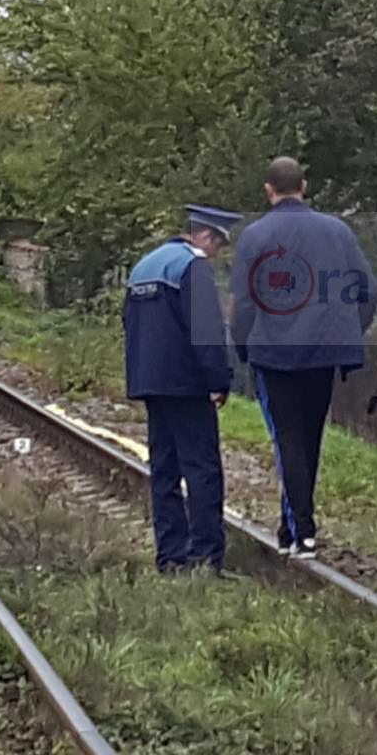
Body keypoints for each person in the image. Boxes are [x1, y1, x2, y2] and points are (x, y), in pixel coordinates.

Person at [230, 157, 376, 558]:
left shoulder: (255, 235)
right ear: (304, 186)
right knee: (308, 435)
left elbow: (243, 303)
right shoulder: (337, 231)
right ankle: (292, 522)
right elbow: (367, 289)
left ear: (268, 189)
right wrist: (347, 330)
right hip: (325, 350)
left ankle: (301, 529)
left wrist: (243, 347)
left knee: (287, 437)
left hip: (275, 351)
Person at [123, 204, 241, 573]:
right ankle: (206, 556)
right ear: (206, 236)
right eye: (218, 246)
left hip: (150, 383)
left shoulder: (145, 265)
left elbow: (129, 323)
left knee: (164, 470)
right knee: (202, 469)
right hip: (187, 386)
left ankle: (170, 554)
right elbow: (206, 329)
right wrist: (218, 381)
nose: (216, 254)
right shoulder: (192, 266)